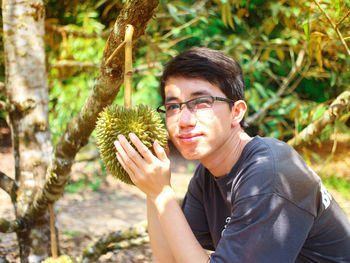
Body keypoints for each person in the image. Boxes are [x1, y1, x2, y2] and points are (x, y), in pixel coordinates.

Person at [113, 47, 350, 263]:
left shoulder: (271, 173)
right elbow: (169, 260)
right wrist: (153, 191)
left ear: (236, 112)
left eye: (201, 102)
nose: (183, 121)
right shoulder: (206, 174)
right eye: (174, 106)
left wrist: (162, 193)